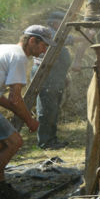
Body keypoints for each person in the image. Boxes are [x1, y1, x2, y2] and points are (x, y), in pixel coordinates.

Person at [0, 25, 55, 199]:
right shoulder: (19, 57)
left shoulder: (6, 49)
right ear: (32, 40)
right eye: (43, 45)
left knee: (2, 145)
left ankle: (2, 189)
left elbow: (5, 99)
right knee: (14, 142)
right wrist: (29, 120)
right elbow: (15, 97)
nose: (44, 50)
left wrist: (21, 113)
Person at [30, 12, 72, 149]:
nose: (65, 26)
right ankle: (45, 142)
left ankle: (52, 139)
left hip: (55, 75)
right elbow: (67, 39)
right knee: (46, 108)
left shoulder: (53, 33)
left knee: (53, 108)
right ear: (55, 23)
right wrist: (87, 36)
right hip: (46, 75)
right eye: (62, 23)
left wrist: (63, 76)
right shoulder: (51, 34)